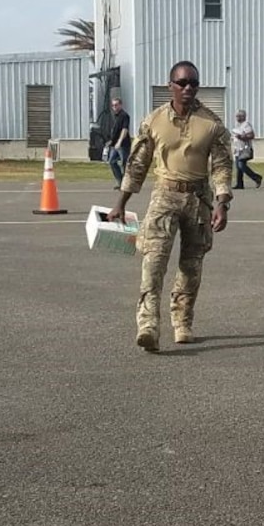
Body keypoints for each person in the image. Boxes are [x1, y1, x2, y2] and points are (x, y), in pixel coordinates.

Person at [106, 61, 233, 352]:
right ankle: (148, 323)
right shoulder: (153, 122)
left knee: (192, 264)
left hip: (198, 198)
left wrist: (222, 203)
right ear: (170, 86)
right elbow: (136, 165)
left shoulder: (212, 124)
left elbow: (223, 166)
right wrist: (120, 203)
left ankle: (182, 321)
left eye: (193, 83)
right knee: (154, 262)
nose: (188, 88)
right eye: (182, 82)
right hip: (164, 195)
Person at [104, 96, 132, 188]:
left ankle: (126, 183)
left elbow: (124, 130)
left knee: (125, 163)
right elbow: (115, 131)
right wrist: (111, 141)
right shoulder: (114, 117)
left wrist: (119, 142)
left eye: (116, 105)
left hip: (123, 145)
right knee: (112, 161)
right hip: (114, 144)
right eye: (113, 105)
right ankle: (120, 181)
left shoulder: (124, 116)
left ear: (120, 105)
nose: (114, 107)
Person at [231, 109, 263, 189]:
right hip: (238, 149)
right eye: (236, 116)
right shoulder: (238, 126)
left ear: (243, 117)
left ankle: (256, 177)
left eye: (239, 116)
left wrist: (242, 137)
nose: (237, 118)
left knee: (241, 165)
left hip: (245, 149)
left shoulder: (246, 125)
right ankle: (239, 184)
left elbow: (251, 135)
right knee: (238, 168)